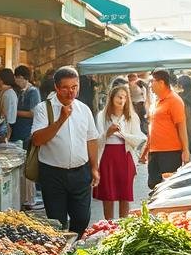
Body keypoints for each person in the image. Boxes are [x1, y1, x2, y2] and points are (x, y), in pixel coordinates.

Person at [30, 66, 100, 235]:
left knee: (82, 218)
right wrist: (61, 119)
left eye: (74, 87)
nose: (71, 92)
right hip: (53, 174)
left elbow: (91, 139)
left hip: (80, 172)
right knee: (56, 221)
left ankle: (73, 248)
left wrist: (94, 168)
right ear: (56, 87)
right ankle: (62, 254)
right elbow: (37, 139)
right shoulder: (43, 108)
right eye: (65, 88)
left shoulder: (84, 109)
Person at [93, 84, 145, 221]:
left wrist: (123, 135)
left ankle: (123, 224)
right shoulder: (102, 116)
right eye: (119, 97)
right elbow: (95, 141)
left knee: (124, 194)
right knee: (108, 195)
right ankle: (109, 225)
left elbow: (139, 138)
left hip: (125, 155)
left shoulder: (131, 117)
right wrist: (108, 133)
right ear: (112, 98)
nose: (122, 100)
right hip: (107, 156)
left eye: (125, 97)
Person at [139, 69, 190, 188]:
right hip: (154, 151)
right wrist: (146, 149)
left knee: (169, 187)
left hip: (170, 152)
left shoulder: (174, 100)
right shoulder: (156, 101)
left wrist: (185, 150)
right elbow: (153, 127)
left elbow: (181, 126)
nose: (150, 85)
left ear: (161, 83)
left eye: (152, 82)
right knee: (153, 185)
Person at [11, 65, 42, 210]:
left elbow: (33, 113)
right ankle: (26, 196)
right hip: (18, 132)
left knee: (27, 165)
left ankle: (30, 198)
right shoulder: (19, 91)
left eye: (18, 78)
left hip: (27, 133)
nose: (17, 80)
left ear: (24, 78)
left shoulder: (32, 92)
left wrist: (13, 112)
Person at [0, 68, 18, 144]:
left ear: (1, 80)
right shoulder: (5, 92)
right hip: (5, 126)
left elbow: (7, 114)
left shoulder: (8, 94)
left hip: (6, 127)